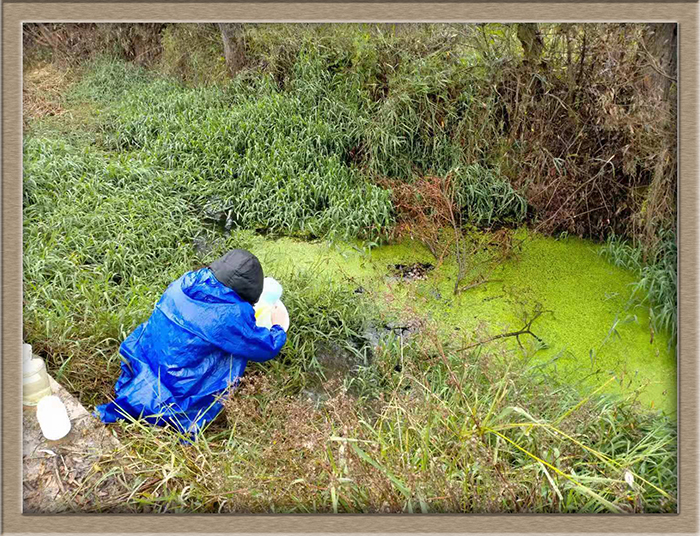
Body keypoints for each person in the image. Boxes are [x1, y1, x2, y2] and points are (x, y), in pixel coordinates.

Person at [95, 249, 288, 436]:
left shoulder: (187, 281)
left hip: (147, 357)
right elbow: (264, 347)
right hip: (179, 384)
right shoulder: (231, 315)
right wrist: (278, 326)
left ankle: (142, 392)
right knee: (236, 350)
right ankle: (179, 407)